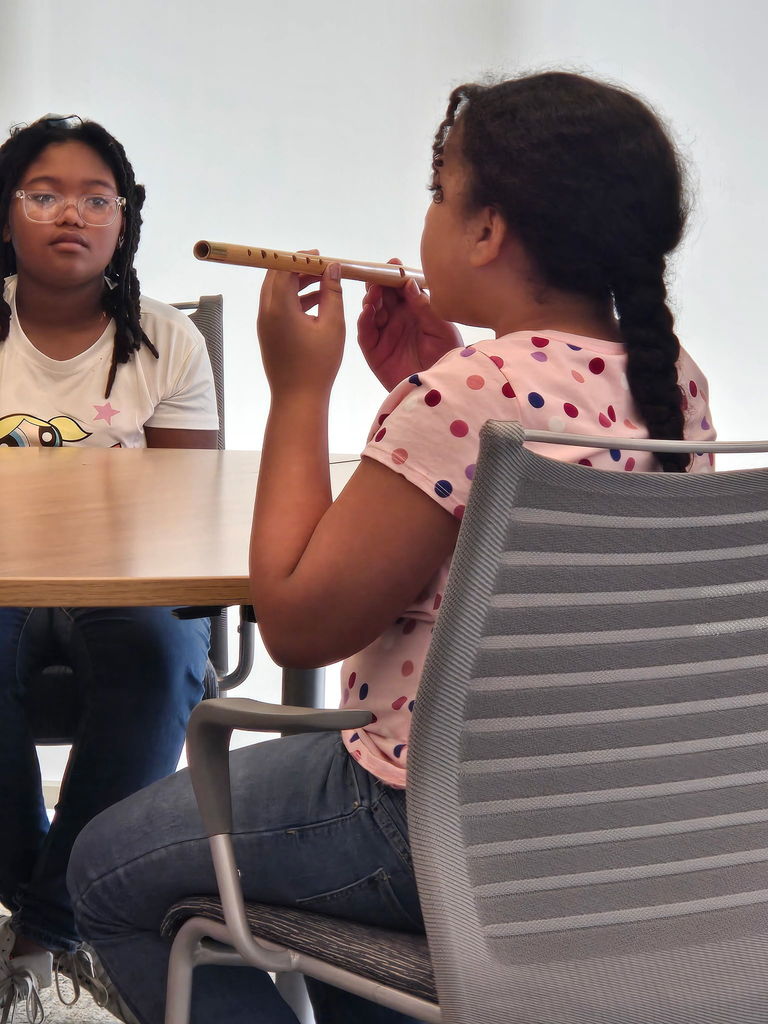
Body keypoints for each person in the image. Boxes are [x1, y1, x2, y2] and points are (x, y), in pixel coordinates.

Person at [68, 71, 715, 1024]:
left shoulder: (467, 394)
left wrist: (298, 391)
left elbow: (294, 625)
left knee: (106, 871)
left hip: (429, 821)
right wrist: (426, 373)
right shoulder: (672, 383)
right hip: (601, 824)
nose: (428, 216)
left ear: (487, 230)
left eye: (439, 193)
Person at [0, 114, 219, 1022]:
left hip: (127, 569)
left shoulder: (167, 341)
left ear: (126, 219)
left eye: (100, 198)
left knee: (160, 650)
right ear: (7, 213)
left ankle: (41, 933)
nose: (73, 216)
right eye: (45, 194)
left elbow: (192, 517)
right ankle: (53, 918)